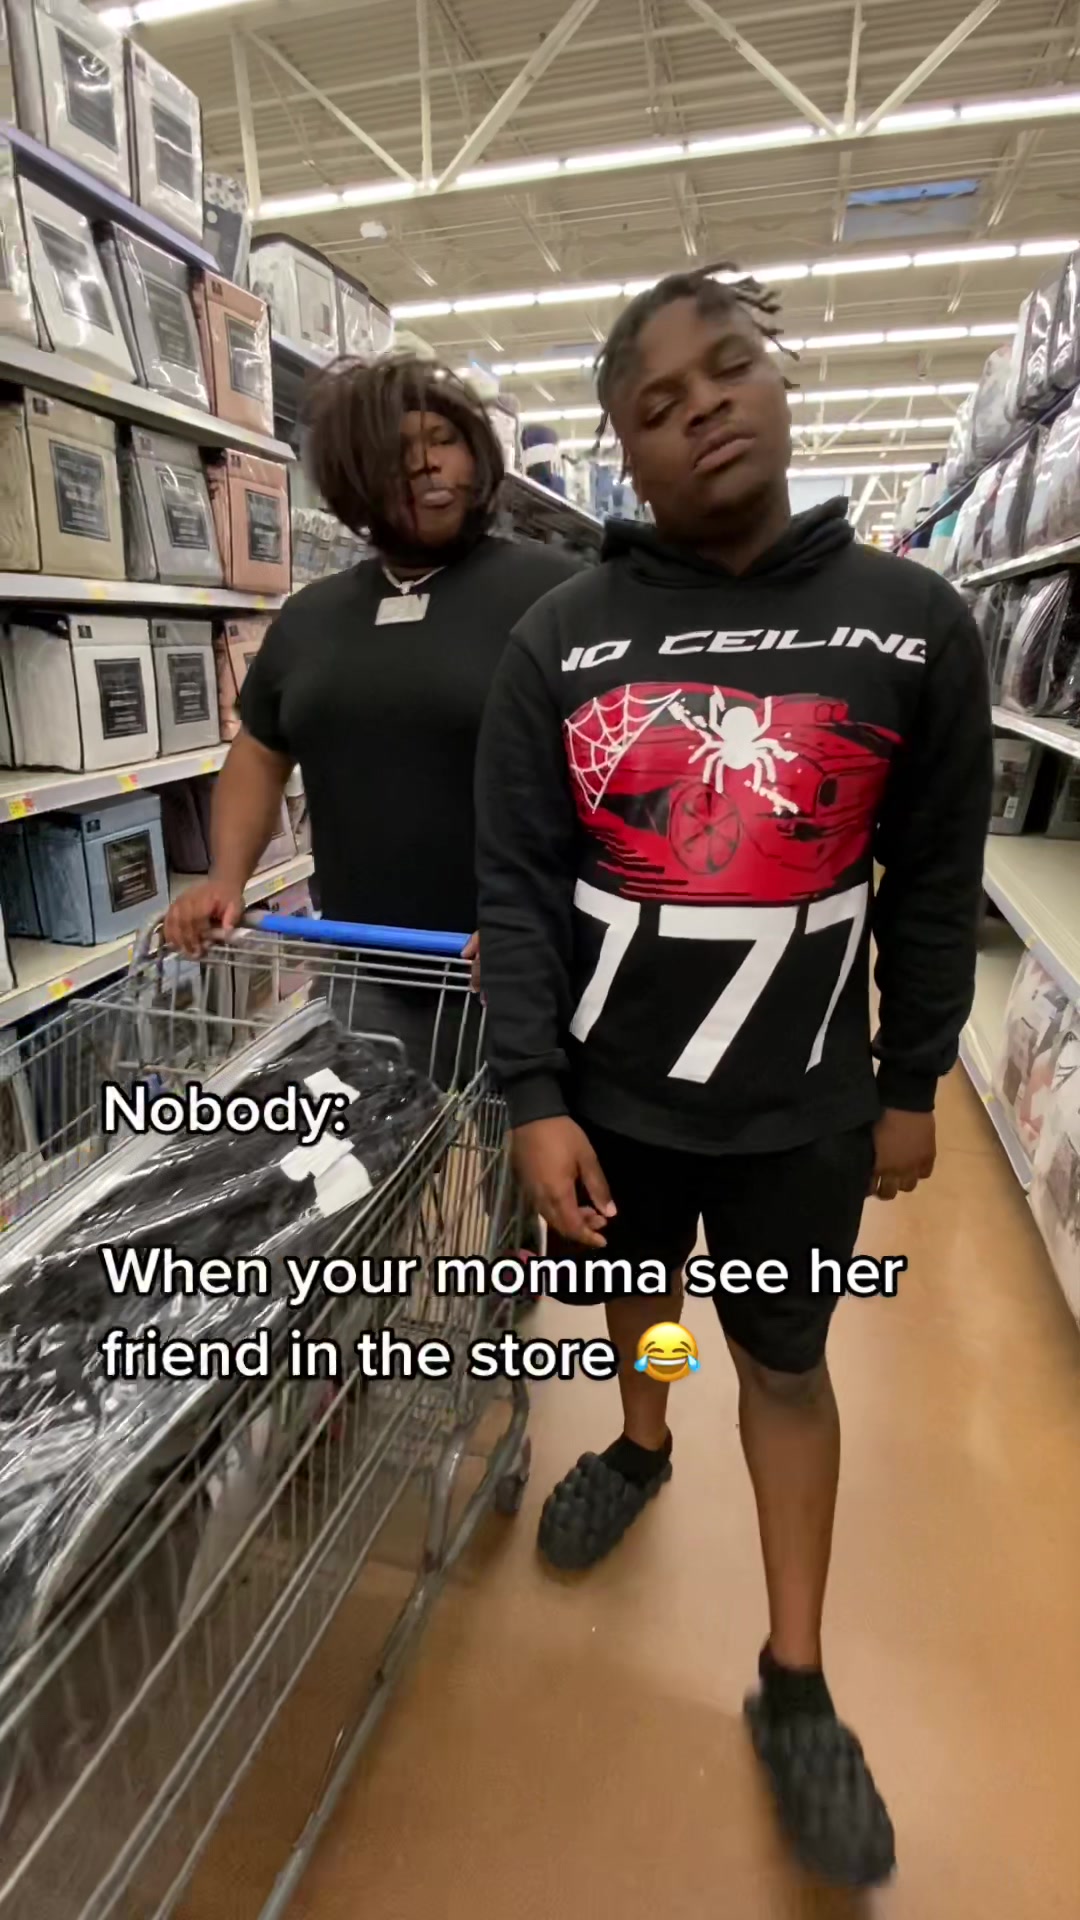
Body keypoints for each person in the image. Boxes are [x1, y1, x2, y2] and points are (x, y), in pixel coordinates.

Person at [474, 265, 992, 1888]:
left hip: (805, 1110)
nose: (702, 405)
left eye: (730, 367)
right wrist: (534, 1095)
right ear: (623, 451)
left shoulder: (915, 623)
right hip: (614, 1099)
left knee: (784, 1359)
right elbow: (518, 886)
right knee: (645, 1300)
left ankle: (797, 1679)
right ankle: (641, 1438)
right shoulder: (561, 638)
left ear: (779, 378)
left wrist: (913, 1077)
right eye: (657, 401)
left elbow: (934, 875)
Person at [165, 353, 582, 1090]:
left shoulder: (557, 595)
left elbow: (618, 771)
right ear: (353, 479)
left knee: (525, 1158)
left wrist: (541, 914)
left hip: (521, 966)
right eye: (396, 453)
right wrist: (226, 877)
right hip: (365, 966)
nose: (427, 465)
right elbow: (260, 750)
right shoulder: (312, 618)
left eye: (444, 440)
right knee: (377, 1156)